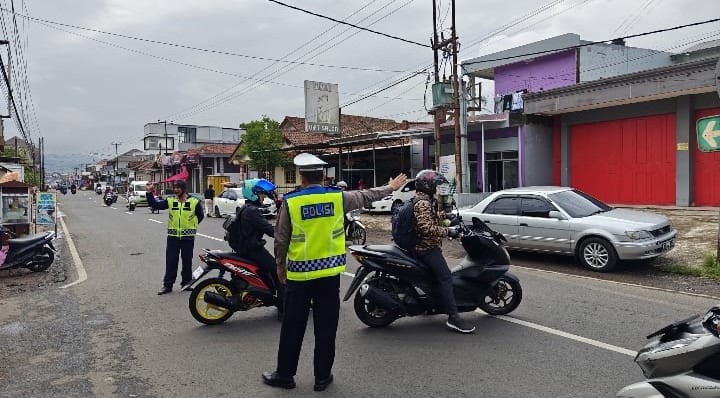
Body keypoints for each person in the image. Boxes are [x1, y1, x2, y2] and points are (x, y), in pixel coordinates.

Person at [262, 153, 407, 391]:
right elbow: (367, 195)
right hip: (329, 275)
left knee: (292, 326)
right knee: (326, 327)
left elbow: (281, 238)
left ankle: (285, 375)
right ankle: (322, 377)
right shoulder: (338, 198)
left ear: (301, 176)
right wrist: (390, 187)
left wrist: (280, 265)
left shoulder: (291, 201)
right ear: (323, 175)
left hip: (300, 276)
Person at [410, 169, 475, 334]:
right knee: (446, 277)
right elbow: (426, 228)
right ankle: (453, 317)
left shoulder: (424, 200)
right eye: (435, 185)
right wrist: (449, 231)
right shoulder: (423, 203)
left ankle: (430, 303)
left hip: (425, 246)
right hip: (426, 248)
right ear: (427, 185)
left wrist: (446, 217)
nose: (437, 188)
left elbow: (430, 218)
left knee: (436, 277)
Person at [229, 178, 284, 319]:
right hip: (253, 250)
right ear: (252, 194)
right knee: (279, 272)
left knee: (269, 272)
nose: (263, 197)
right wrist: (284, 234)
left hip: (244, 249)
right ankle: (284, 309)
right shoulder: (252, 211)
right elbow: (268, 228)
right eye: (261, 194)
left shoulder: (245, 208)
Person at [146, 180, 204, 295]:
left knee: (187, 261)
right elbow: (155, 205)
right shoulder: (171, 200)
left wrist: (192, 225)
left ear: (184, 189)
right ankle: (167, 285)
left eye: (178, 187)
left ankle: (186, 283)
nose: (176, 190)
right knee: (171, 262)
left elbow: (200, 216)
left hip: (188, 237)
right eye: (174, 187)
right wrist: (149, 192)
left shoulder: (194, 201)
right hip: (173, 237)